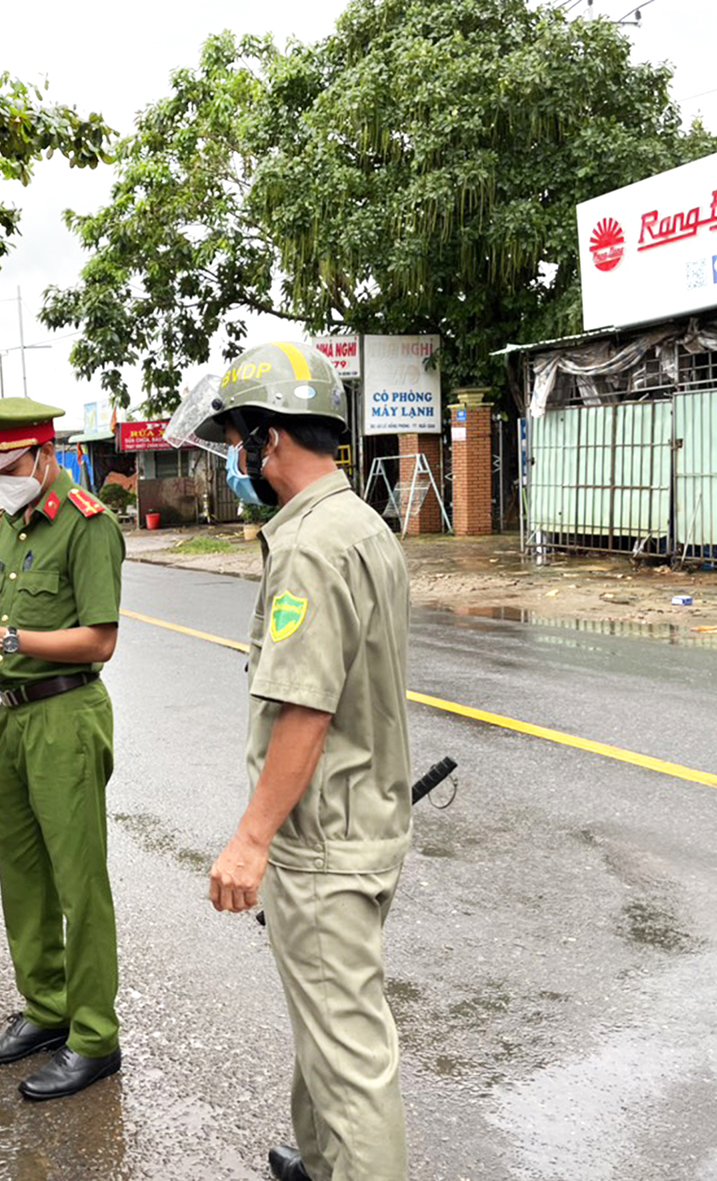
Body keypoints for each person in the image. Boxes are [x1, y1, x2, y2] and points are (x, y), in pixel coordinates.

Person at [197, 342, 412, 1181]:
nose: (236, 461)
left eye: (240, 440)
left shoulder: (309, 547)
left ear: (272, 441)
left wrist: (251, 839)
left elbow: (305, 706)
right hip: (366, 821)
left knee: (352, 1056)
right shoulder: (361, 524)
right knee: (326, 1016)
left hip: (325, 839)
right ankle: (322, 1161)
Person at [0, 396, 126, 1102]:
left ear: (43, 455)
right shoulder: (15, 525)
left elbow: (99, 639)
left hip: (67, 715)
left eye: (6, 465)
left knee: (80, 884)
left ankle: (95, 1035)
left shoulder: (88, 524)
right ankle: (47, 1009)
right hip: (13, 717)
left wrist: (4, 639)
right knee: (23, 872)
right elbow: (4, 614)